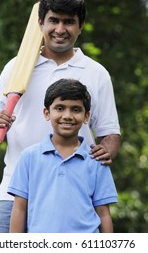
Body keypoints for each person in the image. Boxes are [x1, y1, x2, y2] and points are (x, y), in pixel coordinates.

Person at [0, 0, 120, 233]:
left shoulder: (97, 73)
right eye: (53, 20)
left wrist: (104, 153)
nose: (60, 29)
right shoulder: (15, 68)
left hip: (73, 197)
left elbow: (109, 133)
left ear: (80, 26)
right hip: (14, 191)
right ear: (40, 24)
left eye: (69, 22)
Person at [8, 79, 117, 233]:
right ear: (47, 113)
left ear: (87, 116)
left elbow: (104, 214)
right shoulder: (29, 157)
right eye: (60, 108)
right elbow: (19, 209)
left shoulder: (97, 159)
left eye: (76, 110)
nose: (67, 116)